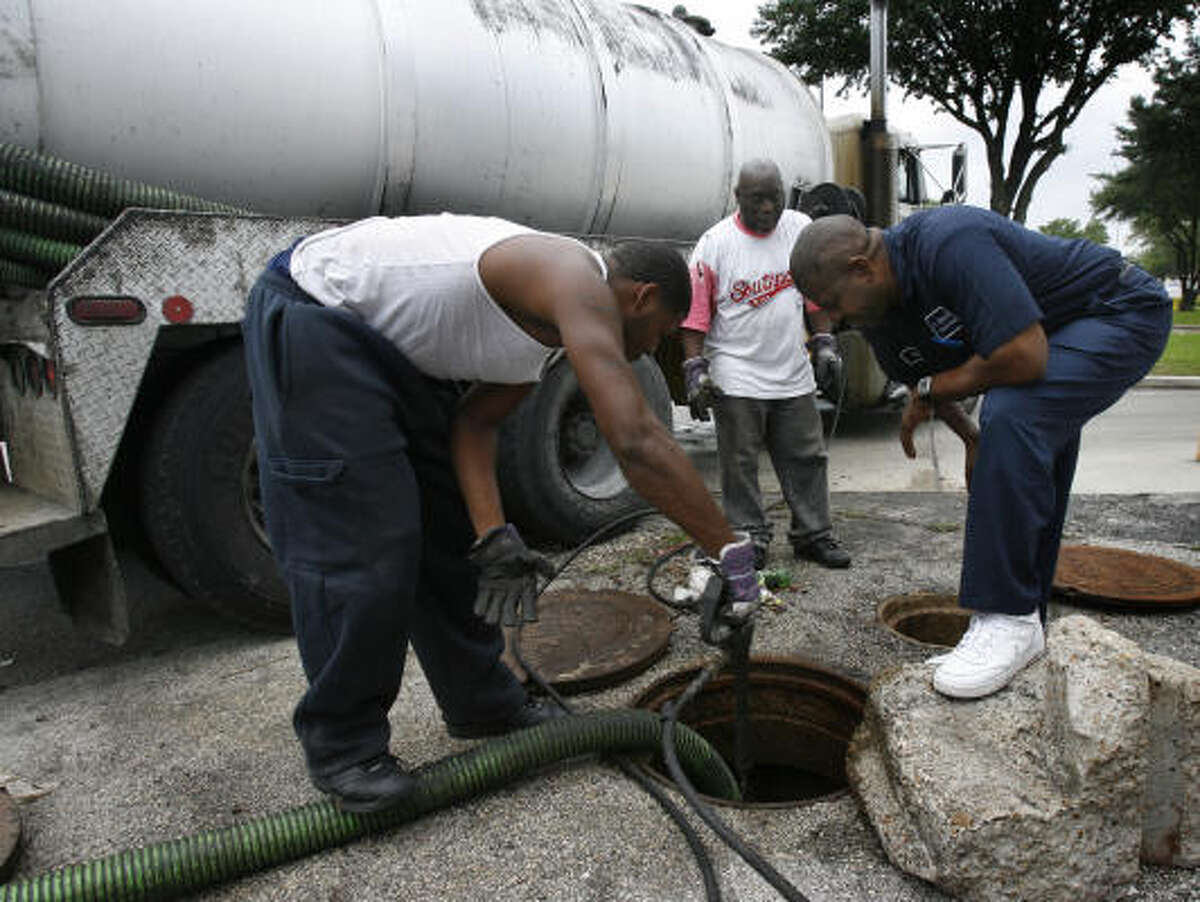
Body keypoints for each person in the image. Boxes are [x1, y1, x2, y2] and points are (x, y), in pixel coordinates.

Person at [242, 213, 760, 813]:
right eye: (663, 331)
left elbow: (475, 424)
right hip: (317, 315)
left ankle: (482, 703)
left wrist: (493, 537)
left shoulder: (548, 327)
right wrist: (730, 551)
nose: (654, 349)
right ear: (640, 297)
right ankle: (344, 749)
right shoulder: (573, 278)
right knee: (362, 541)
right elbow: (635, 439)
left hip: (389, 350)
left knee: (449, 536)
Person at [789, 206, 1171, 699]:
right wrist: (970, 439)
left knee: (1014, 413)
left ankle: (1007, 616)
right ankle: (1026, 618)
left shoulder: (947, 242)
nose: (835, 320)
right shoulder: (879, 316)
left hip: (1117, 308)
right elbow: (927, 382)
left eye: (833, 304)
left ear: (862, 269)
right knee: (1026, 438)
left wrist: (934, 391)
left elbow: (1024, 357)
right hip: (1050, 336)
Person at [681, 159, 851, 571]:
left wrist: (825, 342)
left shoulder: (798, 230)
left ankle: (813, 534)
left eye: (774, 197)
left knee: (807, 456)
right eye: (757, 199)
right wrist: (695, 371)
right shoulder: (715, 245)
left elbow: (816, 294)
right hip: (736, 373)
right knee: (739, 464)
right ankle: (749, 536)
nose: (768, 207)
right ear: (738, 197)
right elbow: (695, 318)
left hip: (791, 370)